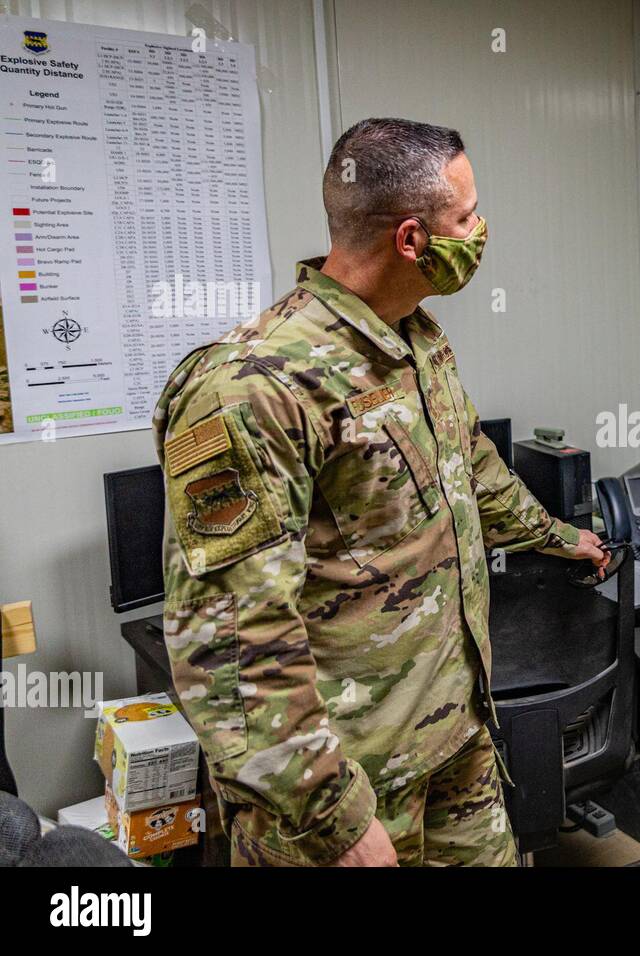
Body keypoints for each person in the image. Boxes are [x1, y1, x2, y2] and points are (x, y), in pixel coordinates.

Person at [154, 118, 608, 867]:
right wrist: (331, 814)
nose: (481, 230)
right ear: (410, 238)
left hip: (454, 737)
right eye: (466, 217)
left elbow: (473, 472)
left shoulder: (416, 342)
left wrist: (562, 538)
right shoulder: (252, 386)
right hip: (347, 785)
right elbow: (230, 642)